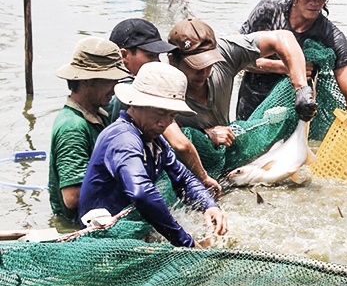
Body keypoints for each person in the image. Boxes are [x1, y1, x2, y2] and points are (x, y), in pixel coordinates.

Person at [78, 62, 227, 248]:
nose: (164, 123)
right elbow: (141, 193)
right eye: (160, 112)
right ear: (138, 104)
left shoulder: (152, 139)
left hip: (129, 231)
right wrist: (184, 242)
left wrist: (209, 205)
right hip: (103, 239)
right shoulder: (123, 138)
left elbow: (182, 177)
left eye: (172, 115)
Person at [235, 0, 347, 121]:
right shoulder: (267, 13)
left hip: (297, 113)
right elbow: (236, 61)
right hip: (252, 107)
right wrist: (284, 67)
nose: (315, 2)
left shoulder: (331, 36)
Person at [108, 18, 222, 197]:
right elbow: (180, 143)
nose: (157, 63)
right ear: (124, 55)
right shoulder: (130, 92)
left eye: (158, 57)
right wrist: (203, 177)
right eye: (150, 56)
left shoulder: (112, 84)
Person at [166, 18, 317, 147]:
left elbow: (282, 37)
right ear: (173, 60)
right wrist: (205, 137)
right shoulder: (160, 86)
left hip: (226, 145)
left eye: (209, 63)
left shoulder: (224, 51)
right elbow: (171, 142)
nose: (205, 72)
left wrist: (301, 88)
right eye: (195, 66)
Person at [49, 37, 130, 222]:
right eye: (109, 81)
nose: (114, 88)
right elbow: (72, 197)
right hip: (80, 225)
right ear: (86, 81)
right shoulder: (73, 128)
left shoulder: (100, 114)